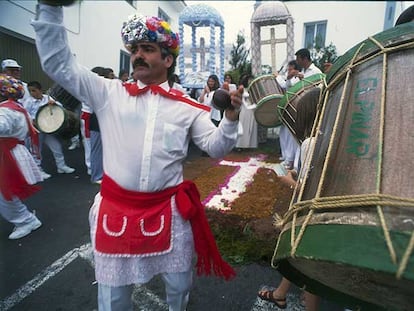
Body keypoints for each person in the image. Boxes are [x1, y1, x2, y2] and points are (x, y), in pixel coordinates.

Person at [33, 6, 242, 311]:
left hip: (168, 214)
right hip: (115, 212)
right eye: (134, 50)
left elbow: (215, 147)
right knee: (113, 299)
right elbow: (58, 64)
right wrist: (50, 9)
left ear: (167, 59)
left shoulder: (187, 106)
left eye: (148, 49)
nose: (137, 56)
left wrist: (231, 120)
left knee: (179, 289)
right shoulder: (108, 93)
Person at [258, 87, 322, 311]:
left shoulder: (309, 143)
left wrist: (288, 181)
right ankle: (280, 294)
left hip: (312, 213)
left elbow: (307, 191)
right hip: (324, 212)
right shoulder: (330, 136)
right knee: (298, 257)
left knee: (305, 264)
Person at [0, 74, 43, 240]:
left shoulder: (5, 109)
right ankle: (24, 218)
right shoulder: (16, 107)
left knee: (5, 192)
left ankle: (25, 220)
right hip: (12, 151)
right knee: (7, 190)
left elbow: (2, 126)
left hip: (7, 153)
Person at [24, 80, 75, 177]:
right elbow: (26, 114)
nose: (32, 93)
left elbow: (60, 109)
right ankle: (38, 170)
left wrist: (55, 104)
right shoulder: (28, 102)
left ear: (40, 90)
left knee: (56, 147)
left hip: (47, 128)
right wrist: (32, 121)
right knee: (37, 151)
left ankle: (61, 166)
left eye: (34, 90)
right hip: (36, 130)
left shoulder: (48, 98)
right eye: (30, 91)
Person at [275, 60, 301, 170]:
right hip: (286, 108)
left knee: (291, 136)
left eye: (291, 69)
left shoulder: (297, 78)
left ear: (295, 69)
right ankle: (285, 156)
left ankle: (290, 160)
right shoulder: (290, 77)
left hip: (295, 109)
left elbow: (285, 84)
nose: (289, 71)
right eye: (288, 69)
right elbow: (284, 84)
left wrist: (278, 76)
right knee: (283, 133)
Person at [235, 73, 258, 150]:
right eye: (249, 80)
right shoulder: (241, 88)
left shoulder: (253, 89)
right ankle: (240, 145)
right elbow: (242, 99)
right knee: (243, 126)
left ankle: (250, 145)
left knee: (252, 126)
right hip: (245, 109)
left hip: (252, 109)